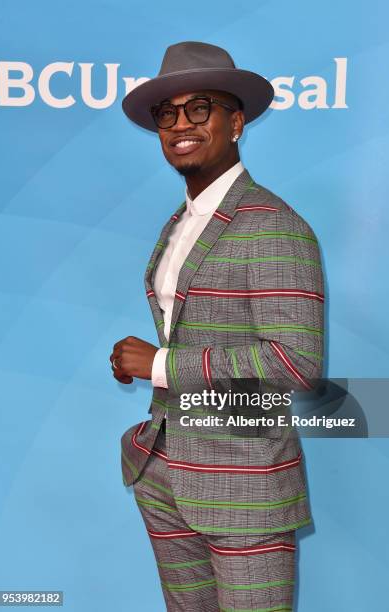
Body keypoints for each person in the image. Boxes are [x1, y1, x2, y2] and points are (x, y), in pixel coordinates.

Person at [110, 41, 324, 612]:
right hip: (163, 471)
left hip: (244, 484)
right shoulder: (181, 222)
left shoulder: (273, 224)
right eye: (168, 113)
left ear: (236, 122)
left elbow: (294, 362)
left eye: (199, 108)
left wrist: (157, 364)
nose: (181, 123)